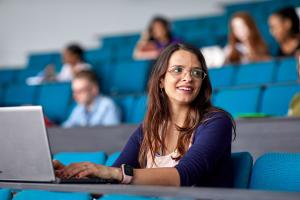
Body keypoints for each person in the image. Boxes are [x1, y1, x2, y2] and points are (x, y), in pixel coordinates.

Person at [54, 43, 236, 187]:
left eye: (196, 72)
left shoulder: (216, 122)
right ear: (162, 81)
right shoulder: (148, 128)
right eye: (178, 70)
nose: (188, 77)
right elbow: (113, 178)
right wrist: (72, 176)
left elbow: (185, 174)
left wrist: (114, 173)